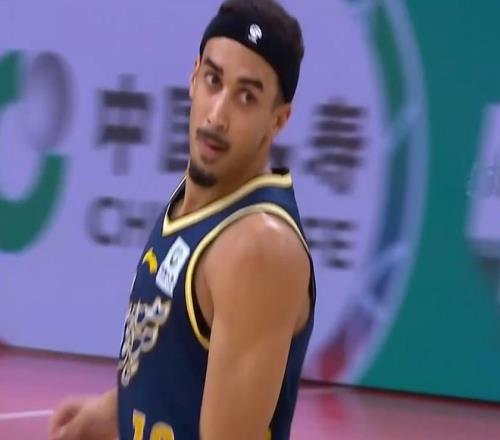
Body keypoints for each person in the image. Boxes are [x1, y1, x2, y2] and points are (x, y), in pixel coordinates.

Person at [49, 0, 315, 438]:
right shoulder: (198, 203)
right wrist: (113, 412)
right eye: (214, 80)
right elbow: (180, 363)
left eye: (247, 97)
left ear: (278, 120)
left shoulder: (259, 248)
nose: (217, 115)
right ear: (193, 77)